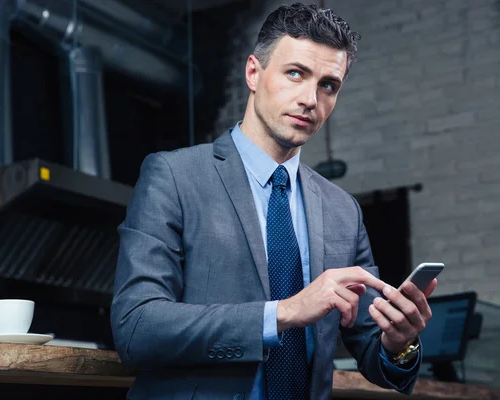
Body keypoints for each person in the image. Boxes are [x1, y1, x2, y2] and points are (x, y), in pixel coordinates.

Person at [111, 2, 437, 399]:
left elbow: (374, 352)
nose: (310, 99)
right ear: (254, 72)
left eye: (328, 85)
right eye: (295, 74)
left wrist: (399, 342)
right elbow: (136, 327)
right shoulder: (175, 177)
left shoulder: (342, 211)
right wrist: (285, 312)